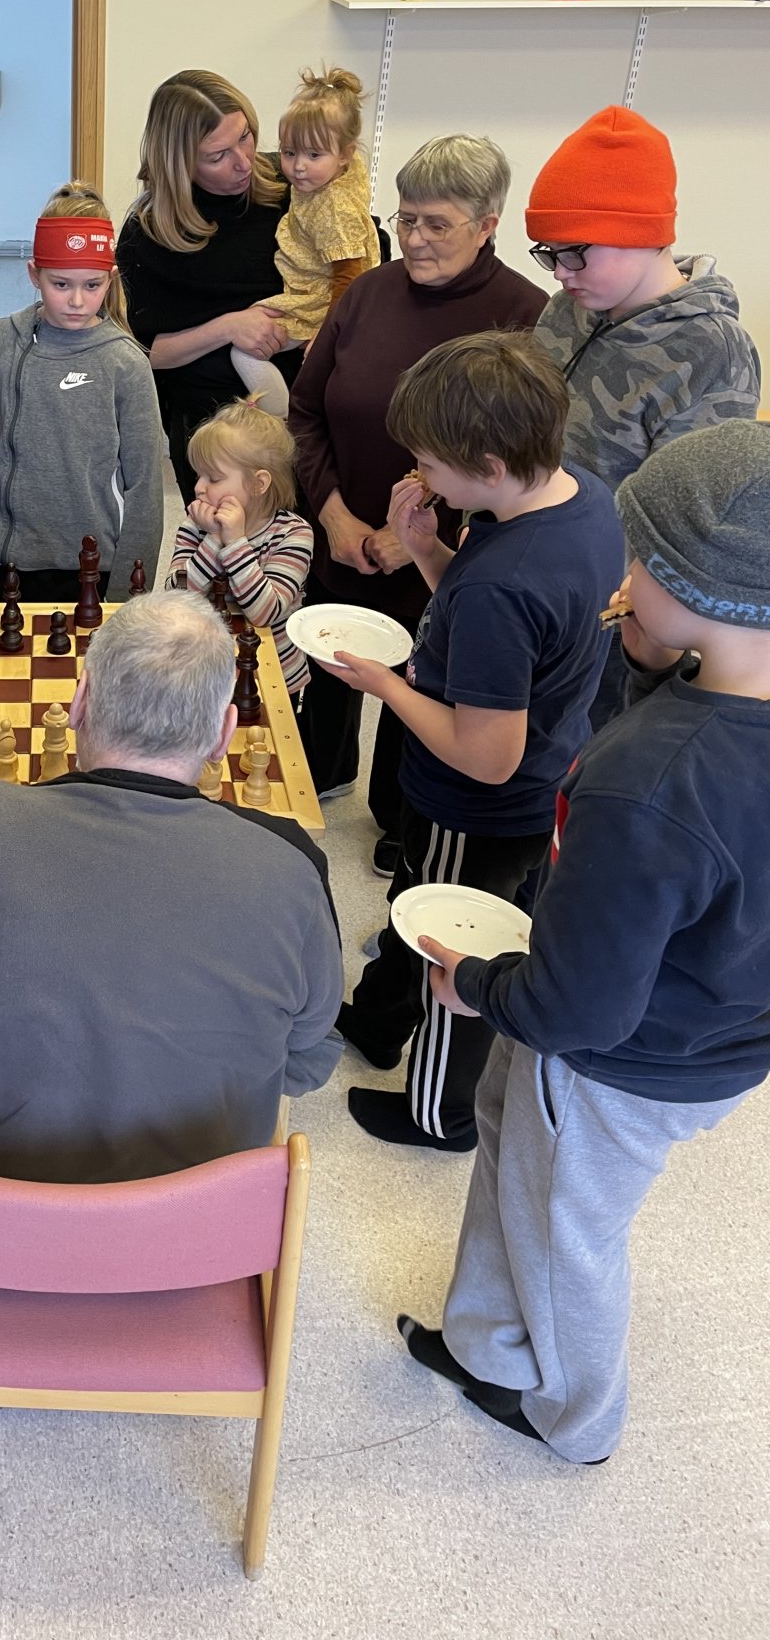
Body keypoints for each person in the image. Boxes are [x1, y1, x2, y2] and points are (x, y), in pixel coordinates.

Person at [399, 421, 770, 1465]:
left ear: (702, 584)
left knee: (570, 1237)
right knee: (511, 1153)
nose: (623, 577)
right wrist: (652, 655)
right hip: (714, 1033)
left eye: (642, 560)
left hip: (620, 1059)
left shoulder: (648, 783)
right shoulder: (705, 709)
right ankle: (486, 1345)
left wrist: (477, 985)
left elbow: (581, 1009)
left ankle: (576, 1420)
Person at [0, 590, 343, 1230]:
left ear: (80, 701)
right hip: (177, 1254)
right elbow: (306, 1058)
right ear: (226, 733)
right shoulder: (289, 866)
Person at [330, 331, 623, 1153]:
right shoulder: (578, 499)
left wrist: (386, 685)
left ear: (489, 467)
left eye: (429, 461)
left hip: (478, 801)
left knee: (452, 954)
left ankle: (440, 1115)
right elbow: (495, 630)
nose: (420, 474)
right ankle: (380, 1021)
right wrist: (427, 550)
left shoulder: (505, 583)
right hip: (534, 783)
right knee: (414, 902)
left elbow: (484, 752)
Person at [288, 135, 547, 874]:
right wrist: (333, 512)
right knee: (328, 669)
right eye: (405, 220)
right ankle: (319, 775)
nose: (415, 239)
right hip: (341, 538)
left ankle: (398, 818)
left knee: (419, 689)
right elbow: (305, 413)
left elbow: (519, 462)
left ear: (488, 222)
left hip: (442, 556)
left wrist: (420, 539)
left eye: (438, 223)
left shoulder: (526, 317)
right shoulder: (367, 293)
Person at [525, 104, 761, 494]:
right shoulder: (564, 310)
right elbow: (513, 427)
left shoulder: (712, 352)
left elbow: (686, 521)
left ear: (641, 236)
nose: (559, 271)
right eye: (548, 251)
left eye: (572, 251)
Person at [0, 181, 163, 603]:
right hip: (8, 563)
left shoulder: (126, 363)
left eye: (92, 286)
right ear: (34, 274)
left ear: (110, 278)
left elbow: (144, 488)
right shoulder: (2, 342)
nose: (76, 300)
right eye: (61, 284)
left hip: (93, 567)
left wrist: (131, 590)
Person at [116, 70, 293, 503]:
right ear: (179, 163)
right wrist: (230, 326)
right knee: (220, 548)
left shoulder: (292, 187)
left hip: (299, 410)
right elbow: (141, 352)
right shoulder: (148, 234)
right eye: (217, 156)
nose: (244, 162)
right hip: (209, 423)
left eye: (246, 137)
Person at [228, 67, 381, 416]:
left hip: (320, 301)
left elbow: (348, 274)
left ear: (345, 154)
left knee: (244, 349)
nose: (298, 167)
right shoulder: (339, 173)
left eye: (314, 155)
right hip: (314, 290)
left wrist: (328, 334)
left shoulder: (332, 205)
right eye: (289, 152)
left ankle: (279, 420)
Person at [167, 398, 313, 697]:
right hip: (202, 673)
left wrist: (234, 542)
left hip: (273, 680)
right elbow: (175, 599)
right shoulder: (196, 525)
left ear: (259, 483)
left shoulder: (293, 534)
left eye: (214, 478)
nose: (198, 487)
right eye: (198, 475)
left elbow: (264, 612)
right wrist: (213, 539)